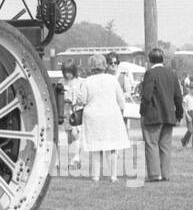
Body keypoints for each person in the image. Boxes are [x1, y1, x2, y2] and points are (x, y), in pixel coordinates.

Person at [79, 53, 130, 182]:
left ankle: (96, 175)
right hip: (111, 115)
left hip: (93, 117)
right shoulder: (112, 79)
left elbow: (82, 100)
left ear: (91, 67)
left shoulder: (87, 81)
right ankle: (113, 175)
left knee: (96, 147)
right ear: (104, 65)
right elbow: (121, 100)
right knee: (112, 146)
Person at [140, 47, 184, 181]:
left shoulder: (150, 74)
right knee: (165, 146)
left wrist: (142, 111)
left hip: (153, 115)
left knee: (151, 144)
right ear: (163, 59)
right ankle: (165, 174)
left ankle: (154, 174)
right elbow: (178, 96)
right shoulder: (172, 74)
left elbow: (146, 95)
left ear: (149, 60)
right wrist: (179, 114)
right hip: (169, 115)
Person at [61, 62, 84, 172]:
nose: (68, 74)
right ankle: (73, 159)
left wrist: (76, 101)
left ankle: (76, 158)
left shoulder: (80, 81)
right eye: (66, 72)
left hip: (76, 111)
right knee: (69, 136)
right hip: (66, 112)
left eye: (69, 71)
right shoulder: (61, 82)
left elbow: (82, 96)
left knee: (76, 134)